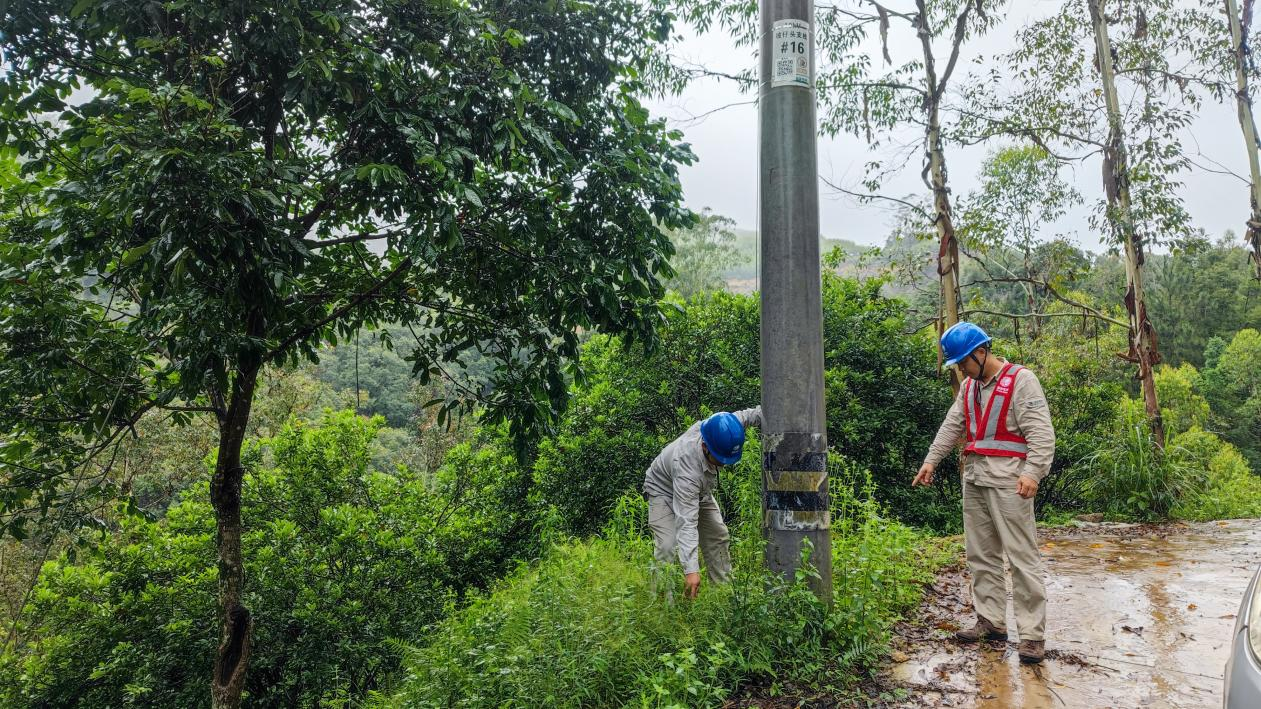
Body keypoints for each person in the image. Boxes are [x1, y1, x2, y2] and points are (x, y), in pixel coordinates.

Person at [913, 322, 1055, 664]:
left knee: (1022, 557)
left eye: (964, 361)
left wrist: (1033, 473)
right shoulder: (968, 387)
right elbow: (953, 424)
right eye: (958, 363)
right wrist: (932, 460)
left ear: (982, 352)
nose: (961, 368)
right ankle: (990, 621)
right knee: (980, 554)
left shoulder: (1022, 380)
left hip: (1010, 481)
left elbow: (1042, 433)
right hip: (975, 478)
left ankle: (1032, 635)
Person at [643, 406, 762, 600]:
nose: (725, 463)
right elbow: (687, 521)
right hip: (662, 490)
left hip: (699, 490)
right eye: (720, 458)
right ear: (705, 447)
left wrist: (781, 412)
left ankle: (723, 597)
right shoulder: (687, 469)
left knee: (718, 535)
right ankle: (663, 606)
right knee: (667, 546)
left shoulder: (721, 427)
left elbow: (749, 416)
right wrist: (691, 571)